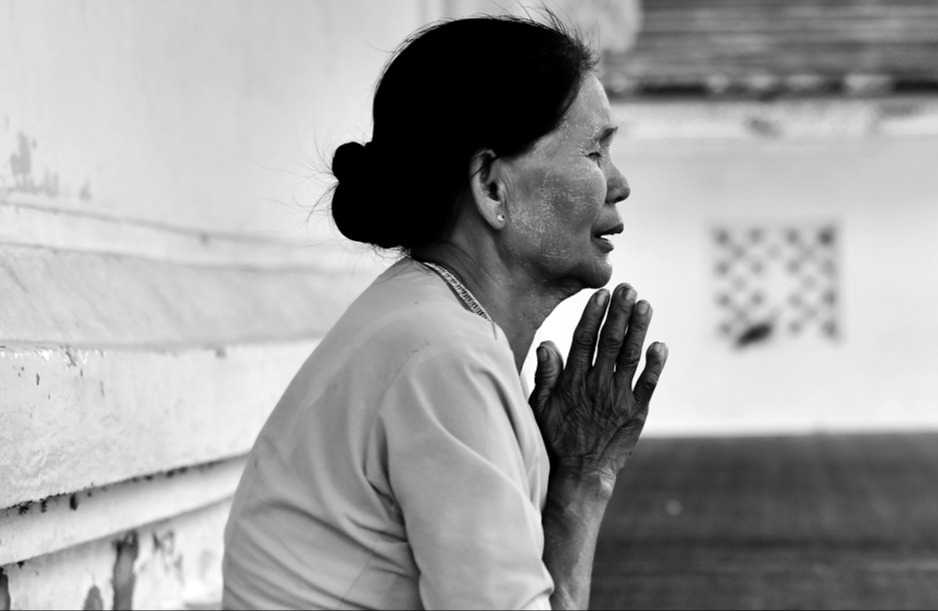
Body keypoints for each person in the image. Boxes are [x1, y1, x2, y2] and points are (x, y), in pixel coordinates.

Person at [222, 13, 667, 610]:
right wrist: (579, 488)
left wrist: (574, 480)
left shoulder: (432, 321)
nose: (619, 184)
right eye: (593, 152)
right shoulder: (442, 356)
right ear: (490, 186)